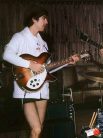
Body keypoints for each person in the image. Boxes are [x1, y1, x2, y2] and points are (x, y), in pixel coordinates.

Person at [2, 5, 80, 138]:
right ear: (34, 19)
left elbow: (47, 69)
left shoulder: (43, 43)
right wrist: (29, 64)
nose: (47, 22)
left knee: (39, 129)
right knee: (37, 128)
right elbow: (6, 55)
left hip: (42, 89)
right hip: (26, 89)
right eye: (44, 19)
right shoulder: (20, 37)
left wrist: (67, 61)